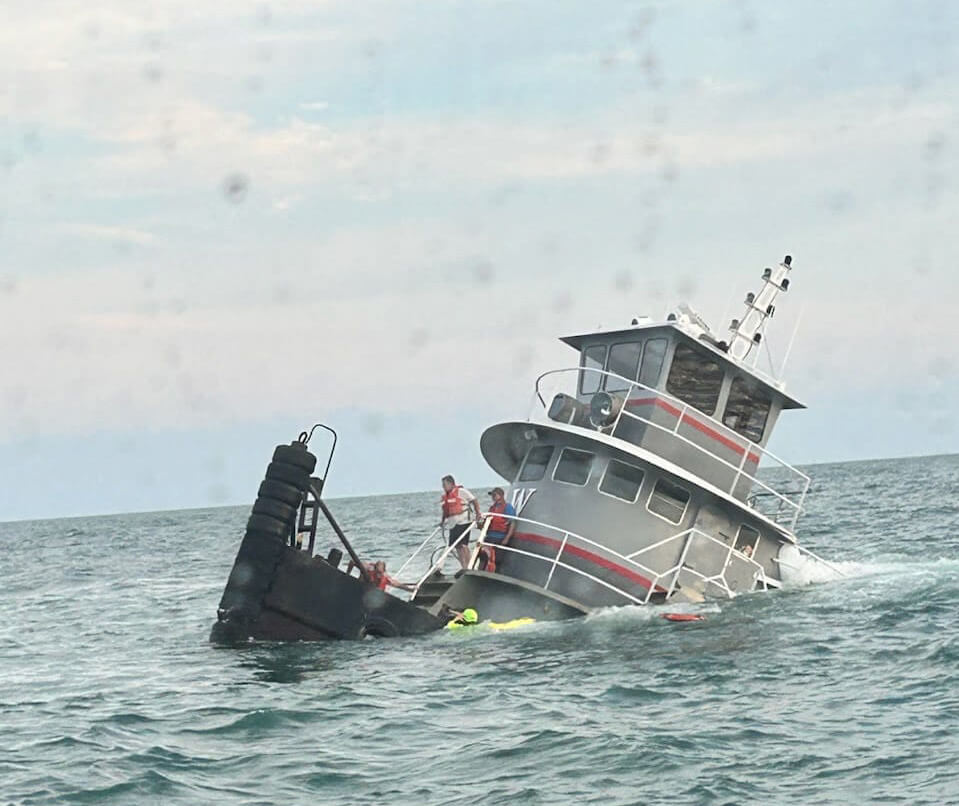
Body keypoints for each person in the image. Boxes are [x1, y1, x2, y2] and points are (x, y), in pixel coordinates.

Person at [440, 475, 482, 568]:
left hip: (463, 521)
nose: (443, 487)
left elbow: (474, 500)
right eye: (443, 485)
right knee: (457, 546)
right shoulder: (445, 496)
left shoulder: (462, 491)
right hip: (452, 524)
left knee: (463, 545)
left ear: (451, 484)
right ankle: (464, 566)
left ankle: (469, 565)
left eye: (445, 485)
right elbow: (445, 510)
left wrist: (478, 513)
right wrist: (442, 521)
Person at [480, 487, 516, 573]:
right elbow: (486, 523)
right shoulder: (492, 508)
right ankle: (480, 571)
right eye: (492, 495)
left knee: (498, 559)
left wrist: (506, 538)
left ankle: (496, 573)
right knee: (483, 556)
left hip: (500, 537)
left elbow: (512, 523)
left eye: (494, 495)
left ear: (501, 495)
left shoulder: (508, 507)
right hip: (489, 536)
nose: (493, 497)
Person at [346, 559, 415, 592]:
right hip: (360, 587)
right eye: (377, 573)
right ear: (374, 569)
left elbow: (398, 585)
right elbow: (352, 561)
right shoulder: (368, 568)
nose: (379, 576)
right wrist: (347, 574)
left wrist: (410, 589)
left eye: (380, 573)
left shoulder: (385, 577)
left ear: (384, 571)